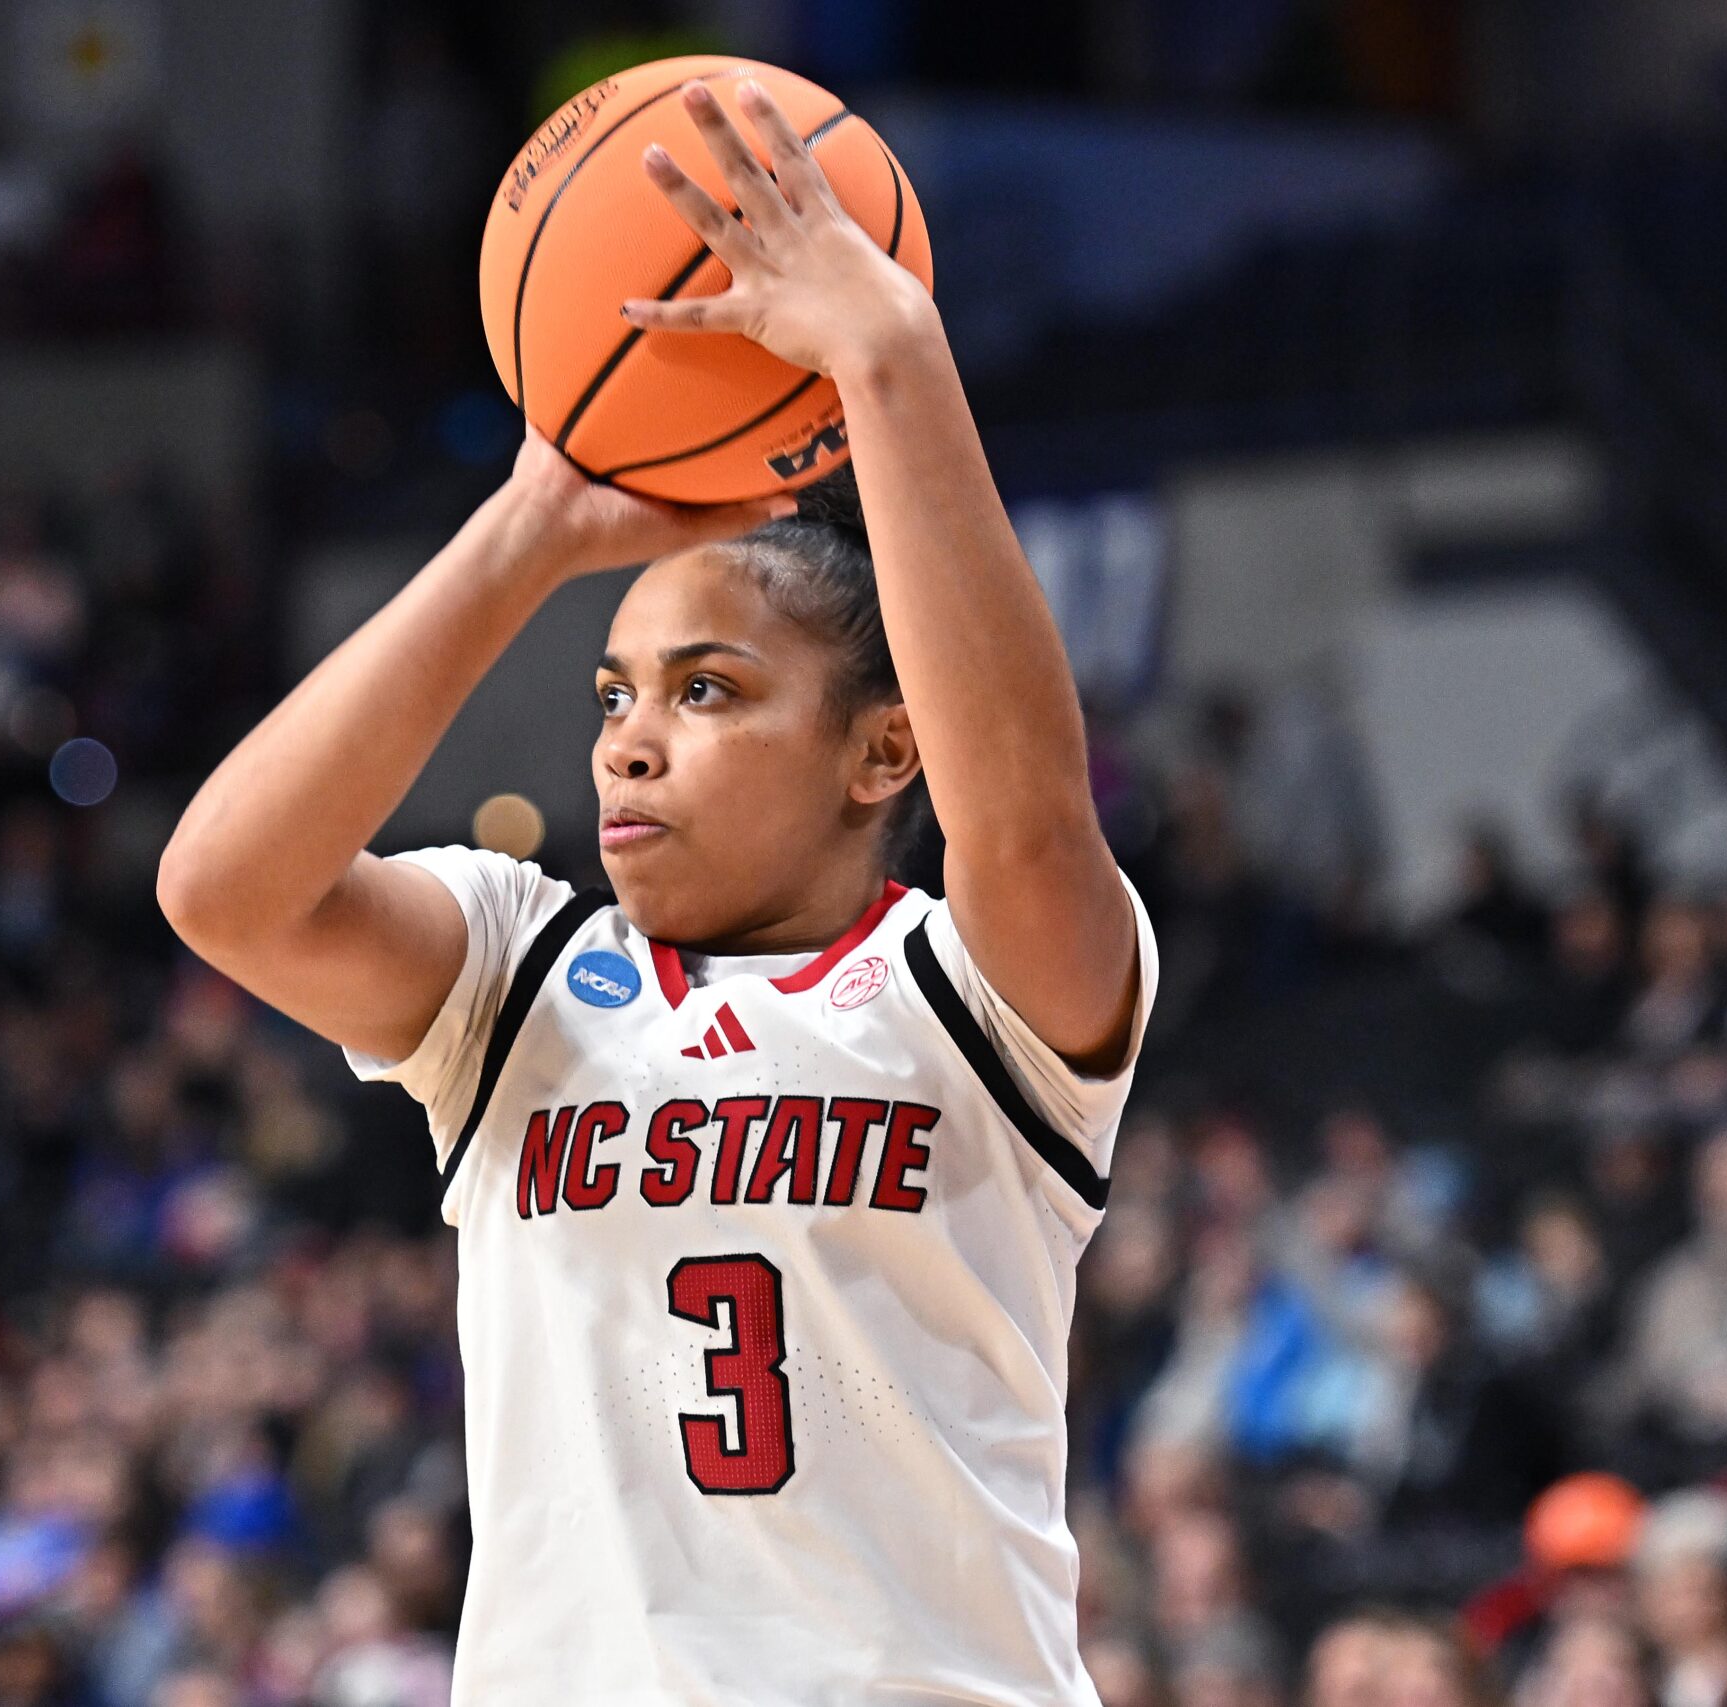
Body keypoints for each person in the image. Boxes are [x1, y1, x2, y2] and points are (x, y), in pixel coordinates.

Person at [160, 75, 1153, 1704]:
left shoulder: (980, 997)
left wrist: (888, 356)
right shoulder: (517, 971)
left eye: (708, 691)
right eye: (619, 694)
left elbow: (1032, 821)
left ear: (880, 752)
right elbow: (225, 893)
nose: (629, 745)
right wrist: (530, 528)